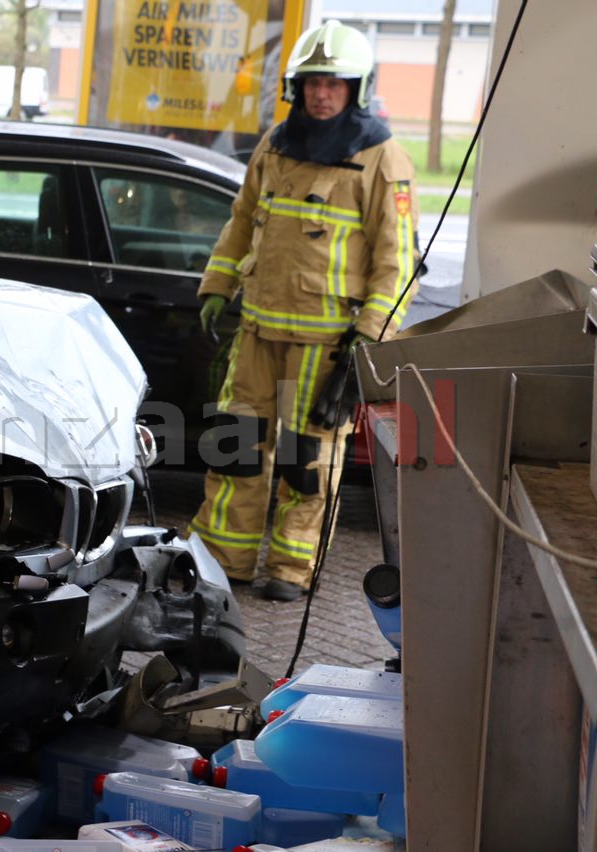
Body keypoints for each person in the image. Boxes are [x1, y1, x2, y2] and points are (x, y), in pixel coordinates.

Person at [187, 20, 418, 601]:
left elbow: (399, 261)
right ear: (296, 86)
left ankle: (291, 569)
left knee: (304, 461)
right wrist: (217, 284)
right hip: (259, 330)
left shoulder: (383, 159)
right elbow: (241, 221)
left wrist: (373, 332)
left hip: (327, 344)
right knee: (235, 447)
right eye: (312, 82)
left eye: (334, 84)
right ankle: (223, 560)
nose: (320, 94)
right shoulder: (274, 145)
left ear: (356, 89)